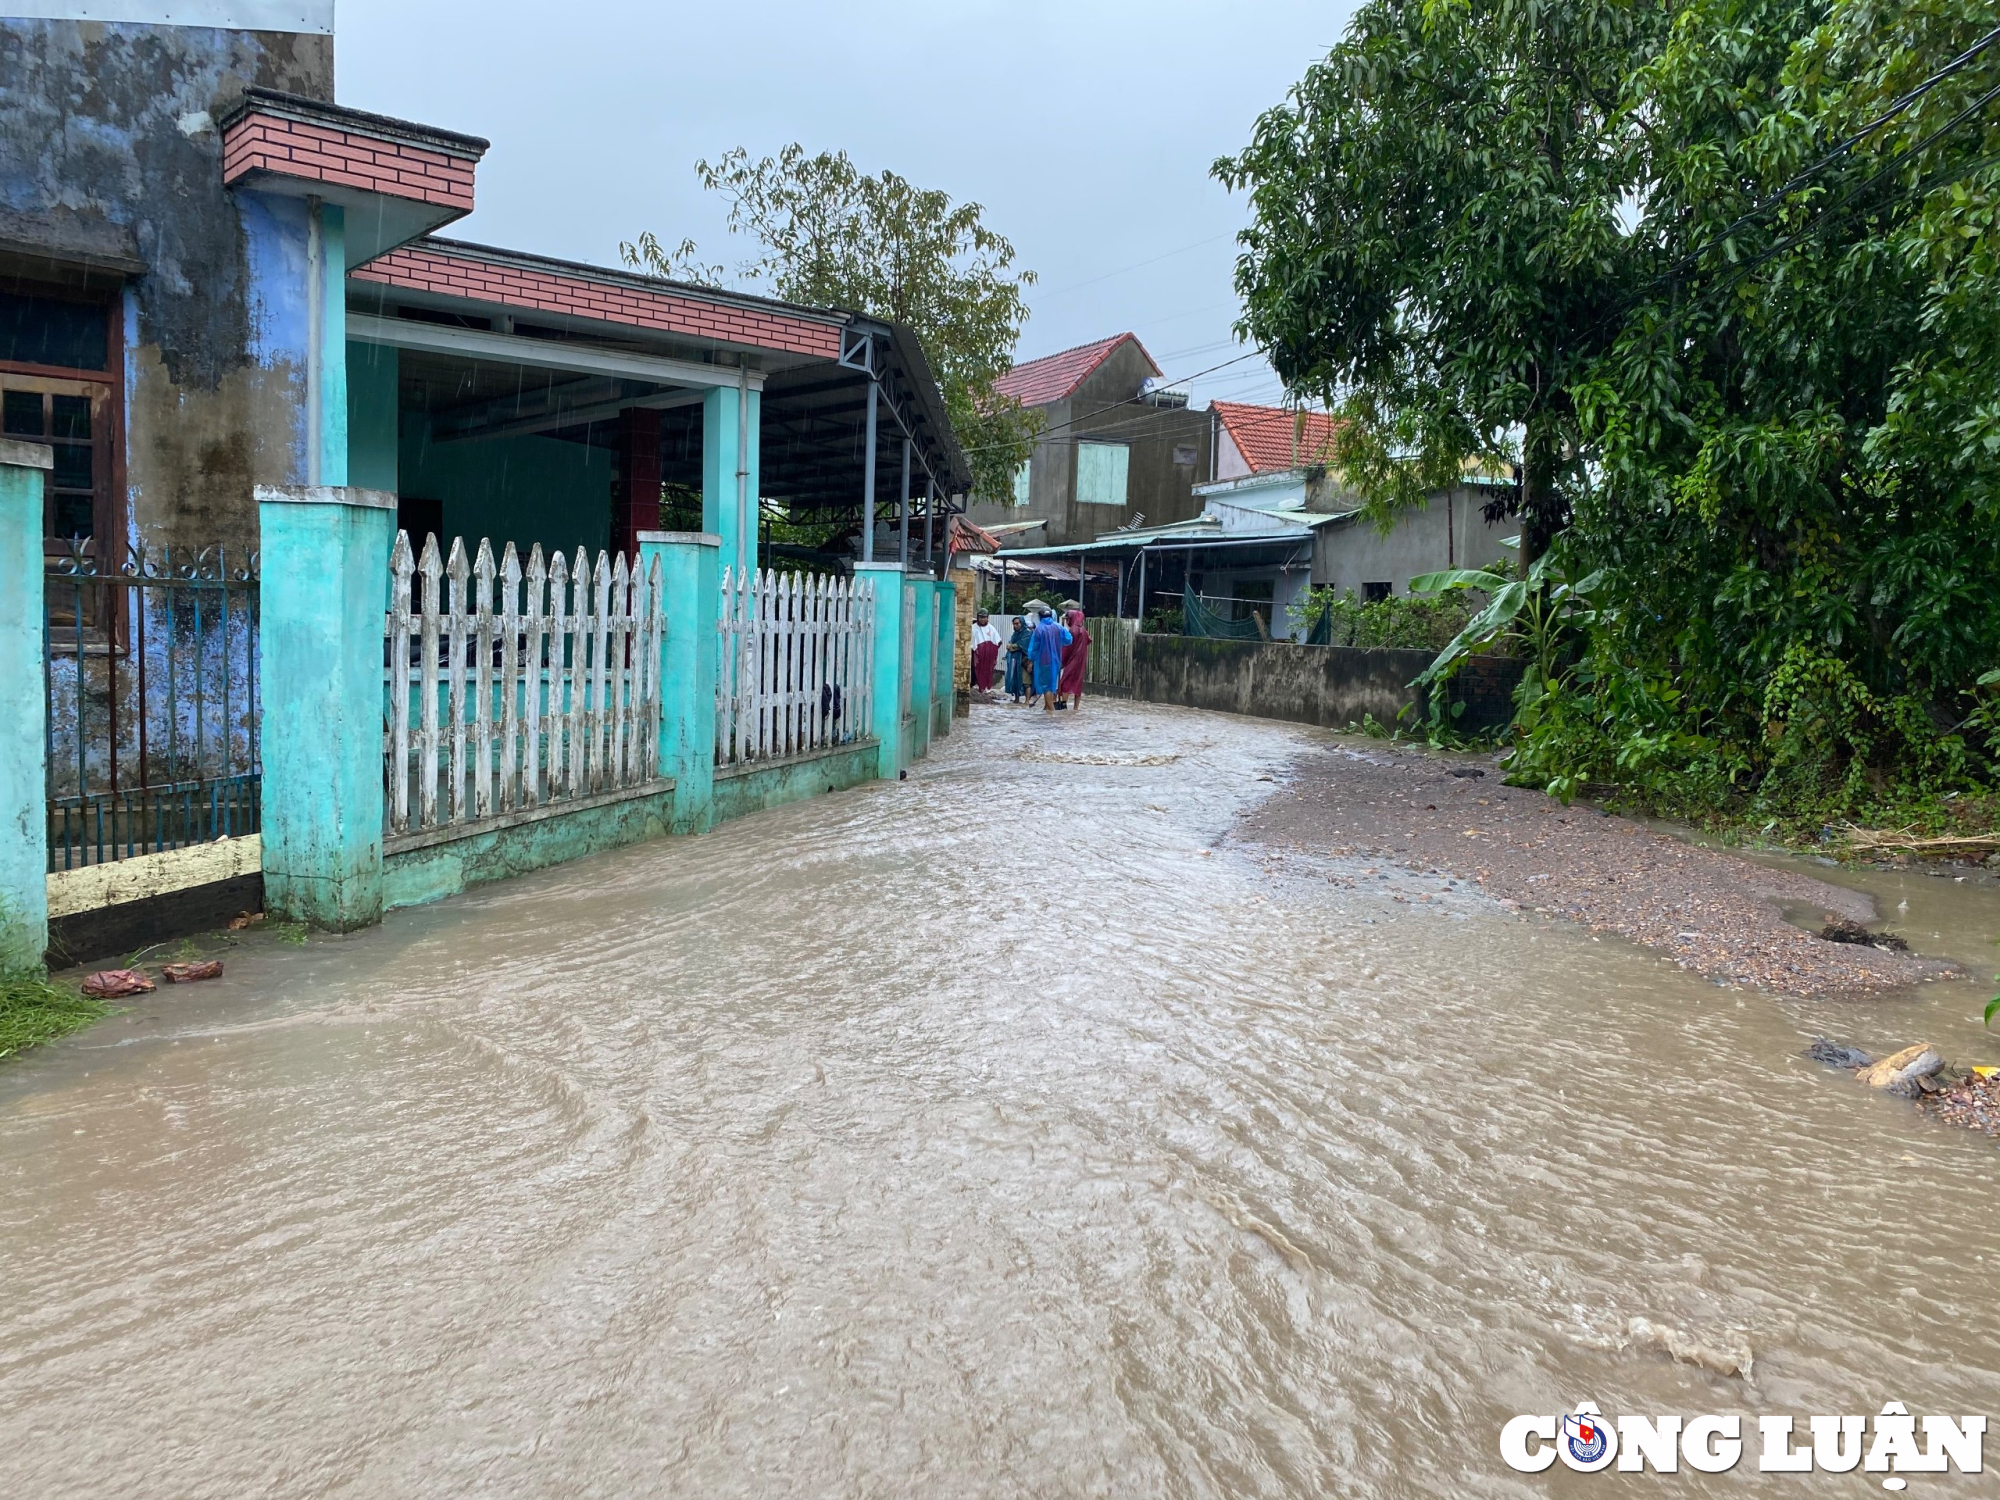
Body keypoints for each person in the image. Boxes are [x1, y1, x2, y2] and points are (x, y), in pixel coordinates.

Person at [1028, 604, 1071, 712]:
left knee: (1046, 686)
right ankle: (1047, 709)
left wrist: (1031, 659)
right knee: (1052, 684)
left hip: (1043, 661)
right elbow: (1069, 639)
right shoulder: (1058, 627)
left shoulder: (1039, 629)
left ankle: (1051, 711)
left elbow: (1033, 648)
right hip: (1056, 660)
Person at [1058, 606, 1092, 712]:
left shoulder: (1072, 631)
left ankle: (1063, 707)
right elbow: (1089, 640)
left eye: (1068, 619)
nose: (1067, 621)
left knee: (1065, 683)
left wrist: (1062, 662)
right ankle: (1076, 708)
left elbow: (1067, 648)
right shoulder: (1084, 631)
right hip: (1081, 662)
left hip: (1072, 660)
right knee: (1078, 683)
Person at [969, 610, 1002, 693]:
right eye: (981, 617)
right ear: (978, 618)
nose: (982, 620)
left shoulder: (991, 628)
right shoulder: (973, 628)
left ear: (987, 618)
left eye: (984, 617)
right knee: (975, 672)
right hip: (977, 657)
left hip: (988, 658)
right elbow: (972, 643)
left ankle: (984, 689)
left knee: (987, 672)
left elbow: (998, 641)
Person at [1004, 613, 1034, 703]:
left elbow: (1022, 645)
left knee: (1026, 682)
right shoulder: (1015, 634)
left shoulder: (1027, 633)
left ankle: (1027, 701)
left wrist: (1011, 646)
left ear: (1022, 623)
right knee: (1015, 680)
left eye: (1017, 624)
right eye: (1014, 624)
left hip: (1025, 660)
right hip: (1015, 661)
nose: (1015, 625)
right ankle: (1016, 699)